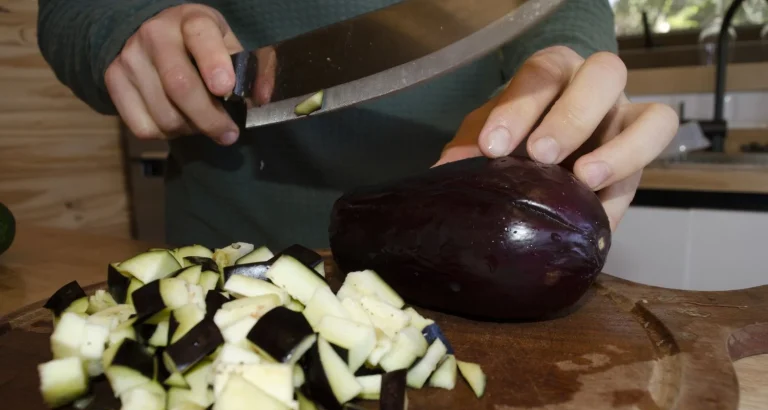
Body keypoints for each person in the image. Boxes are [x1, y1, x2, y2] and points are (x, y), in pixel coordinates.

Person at [37, 0, 678, 251]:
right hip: (227, 254)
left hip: (453, 254)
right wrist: (115, 23)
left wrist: (568, 58)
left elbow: (559, 6)